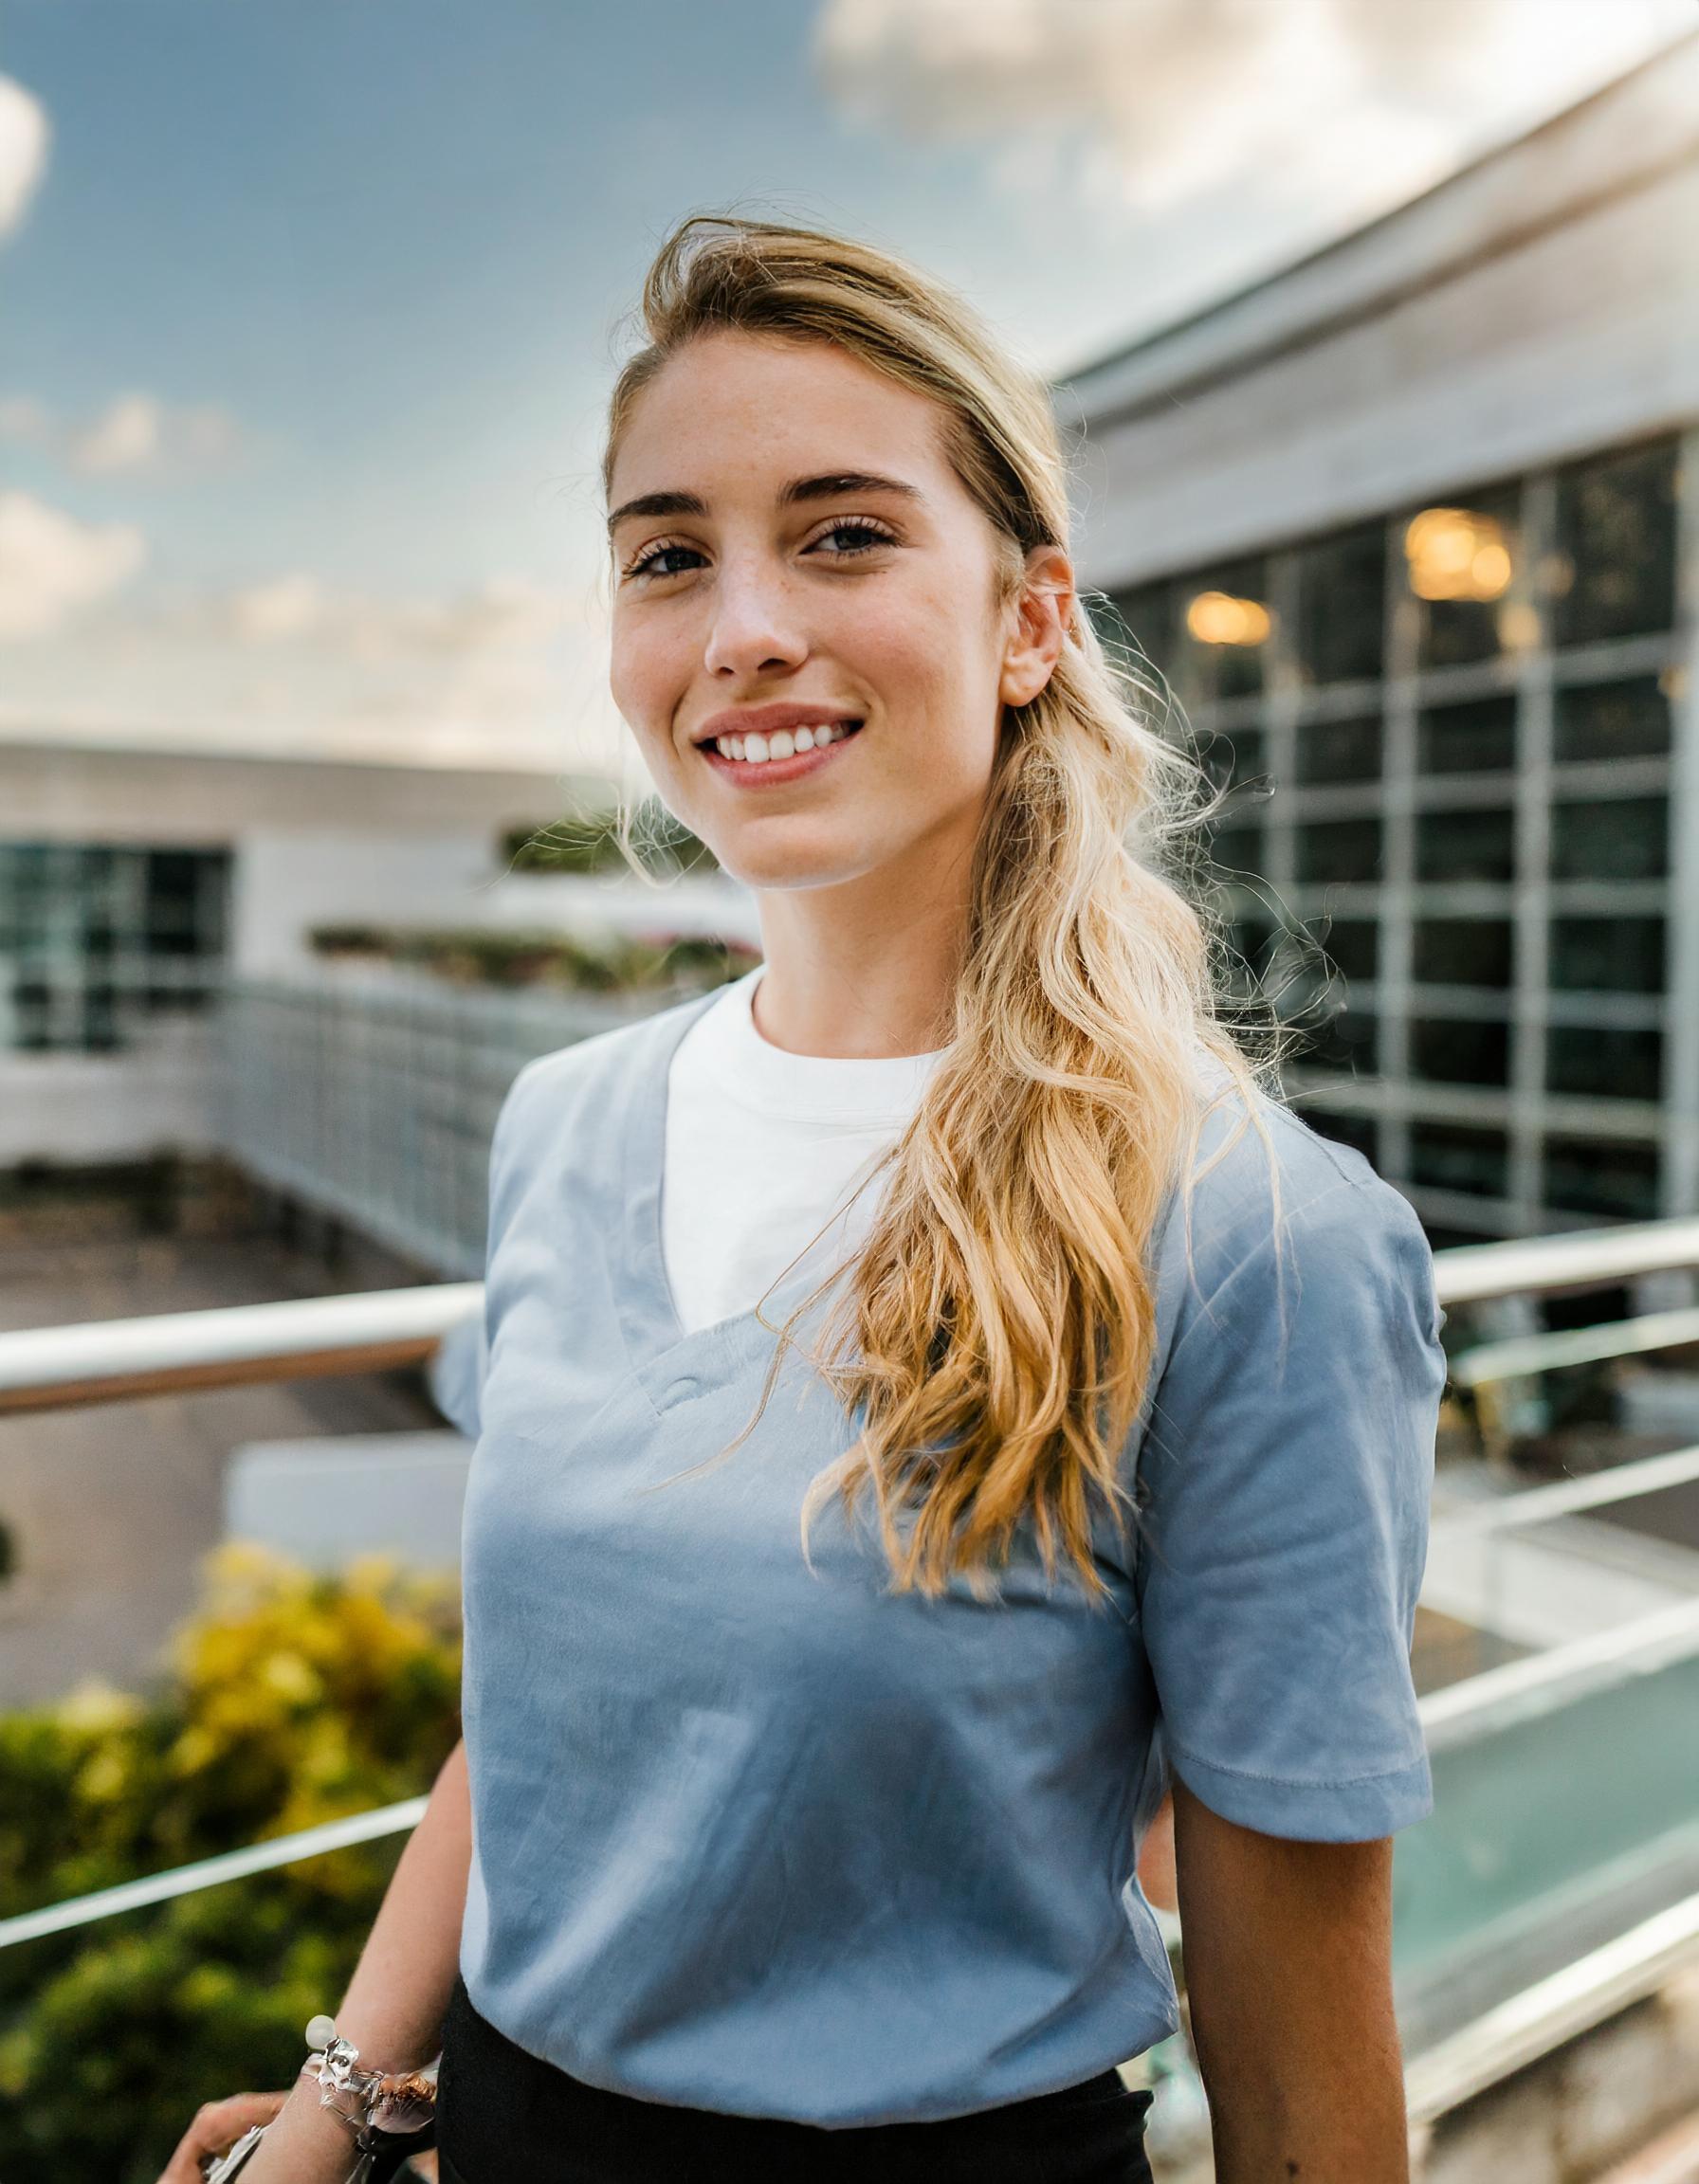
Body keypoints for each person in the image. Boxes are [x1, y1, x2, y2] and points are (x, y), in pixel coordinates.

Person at [162, 214, 1446, 2184]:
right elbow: (541, 1721)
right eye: (668, 555)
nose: (741, 624)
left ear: (1027, 622)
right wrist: (343, 2098)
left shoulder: (1246, 1234)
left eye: (840, 535)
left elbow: (1288, 2025)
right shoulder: (566, 1122)